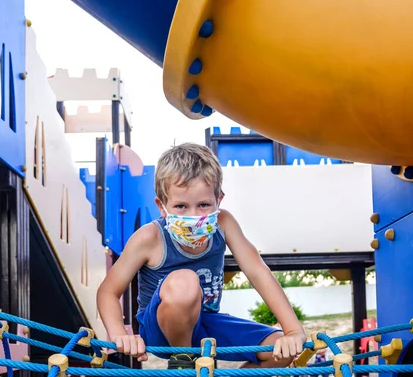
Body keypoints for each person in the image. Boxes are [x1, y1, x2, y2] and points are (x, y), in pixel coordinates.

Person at [97, 143, 306, 369]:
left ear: (219, 200)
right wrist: (119, 333)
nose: (194, 216)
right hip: (161, 327)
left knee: (281, 350)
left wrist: (293, 330)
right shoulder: (149, 238)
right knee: (185, 280)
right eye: (181, 206)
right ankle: (183, 360)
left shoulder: (224, 223)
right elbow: (108, 290)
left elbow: (257, 272)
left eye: (204, 204)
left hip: (206, 322)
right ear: (162, 206)